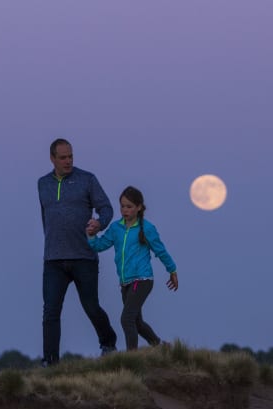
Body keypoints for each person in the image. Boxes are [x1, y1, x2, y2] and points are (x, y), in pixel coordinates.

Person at [38, 138, 118, 366]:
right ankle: (50, 361)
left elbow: (107, 208)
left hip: (84, 257)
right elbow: (46, 217)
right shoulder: (42, 184)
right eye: (63, 157)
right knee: (50, 312)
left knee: (91, 306)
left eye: (71, 156)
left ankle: (108, 342)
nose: (68, 161)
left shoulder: (87, 180)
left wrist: (99, 224)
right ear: (52, 158)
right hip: (53, 259)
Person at [87, 186, 178, 351]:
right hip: (125, 282)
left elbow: (161, 251)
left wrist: (172, 271)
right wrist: (92, 235)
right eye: (122, 206)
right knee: (137, 322)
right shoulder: (116, 228)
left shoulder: (147, 228)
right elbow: (100, 246)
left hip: (142, 280)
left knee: (126, 319)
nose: (125, 210)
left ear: (139, 207)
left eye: (129, 206)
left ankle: (131, 359)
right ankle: (161, 347)